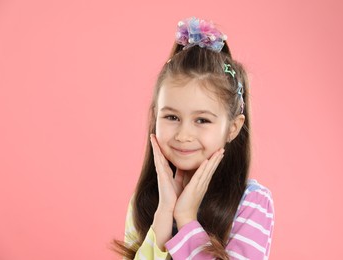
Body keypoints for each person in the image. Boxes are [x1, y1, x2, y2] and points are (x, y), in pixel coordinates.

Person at [114, 17, 274, 260]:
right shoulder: (145, 201)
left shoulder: (251, 202)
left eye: (202, 120)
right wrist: (164, 215)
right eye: (171, 117)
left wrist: (187, 219)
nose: (183, 135)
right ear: (155, 115)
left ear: (233, 127)